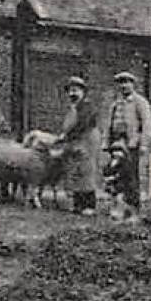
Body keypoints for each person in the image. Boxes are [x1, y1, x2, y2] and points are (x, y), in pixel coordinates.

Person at [105, 70, 151, 219]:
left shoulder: (140, 102)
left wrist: (144, 143)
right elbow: (109, 124)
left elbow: (147, 123)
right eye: (121, 83)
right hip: (116, 143)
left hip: (131, 144)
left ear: (133, 84)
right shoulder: (116, 104)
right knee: (116, 175)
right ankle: (119, 207)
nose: (124, 86)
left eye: (127, 82)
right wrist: (106, 142)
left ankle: (133, 209)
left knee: (131, 176)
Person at [55, 75, 102, 216]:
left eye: (76, 91)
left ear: (83, 92)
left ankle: (89, 205)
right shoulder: (73, 107)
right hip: (76, 141)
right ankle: (78, 204)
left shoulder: (87, 106)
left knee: (86, 171)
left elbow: (83, 124)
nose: (72, 94)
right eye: (70, 91)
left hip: (87, 140)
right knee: (75, 171)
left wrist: (67, 136)